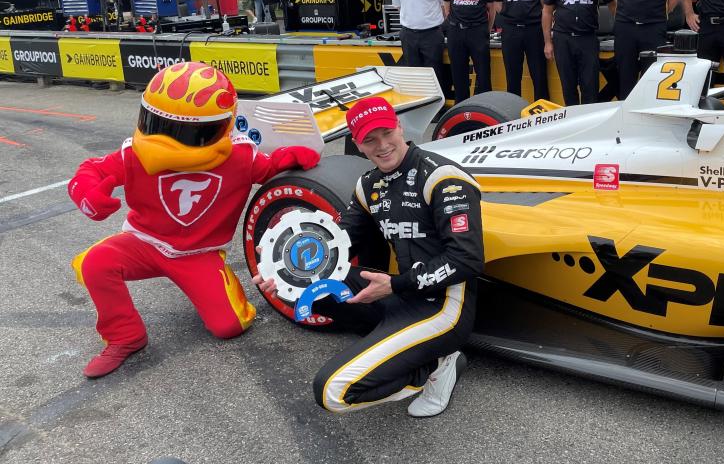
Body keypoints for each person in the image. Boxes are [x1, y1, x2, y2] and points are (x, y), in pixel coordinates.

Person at [68, 62, 319, 378]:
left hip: (197, 254)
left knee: (230, 325)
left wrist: (293, 157)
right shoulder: (133, 153)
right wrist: (87, 193)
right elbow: (92, 170)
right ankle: (124, 336)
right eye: (157, 124)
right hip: (143, 243)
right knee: (96, 264)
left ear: (220, 128)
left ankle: (218, 283)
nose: (164, 141)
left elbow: (268, 167)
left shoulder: (241, 156)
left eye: (184, 132)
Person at [303, 97, 484, 417]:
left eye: (387, 133)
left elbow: (467, 259)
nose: (382, 145)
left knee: (332, 393)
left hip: (443, 308)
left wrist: (396, 285)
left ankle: (437, 365)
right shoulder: (368, 184)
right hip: (399, 294)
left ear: (401, 127)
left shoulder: (443, 178)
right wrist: (286, 266)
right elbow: (340, 243)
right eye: (369, 139)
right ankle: (396, 344)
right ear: (358, 145)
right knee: (309, 289)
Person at [543, 0, 615, 105]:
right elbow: (547, 11)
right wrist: (547, 42)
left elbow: (613, 5)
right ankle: (572, 124)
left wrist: (620, 31)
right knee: (568, 88)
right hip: (562, 39)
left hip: (588, 38)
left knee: (590, 87)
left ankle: (589, 127)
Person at [443, 0, 494, 103]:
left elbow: (491, 8)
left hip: (478, 31)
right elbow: (446, 5)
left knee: (484, 75)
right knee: (458, 75)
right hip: (456, 32)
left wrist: (487, 29)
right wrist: (452, 25)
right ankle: (461, 111)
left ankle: (485, 109)